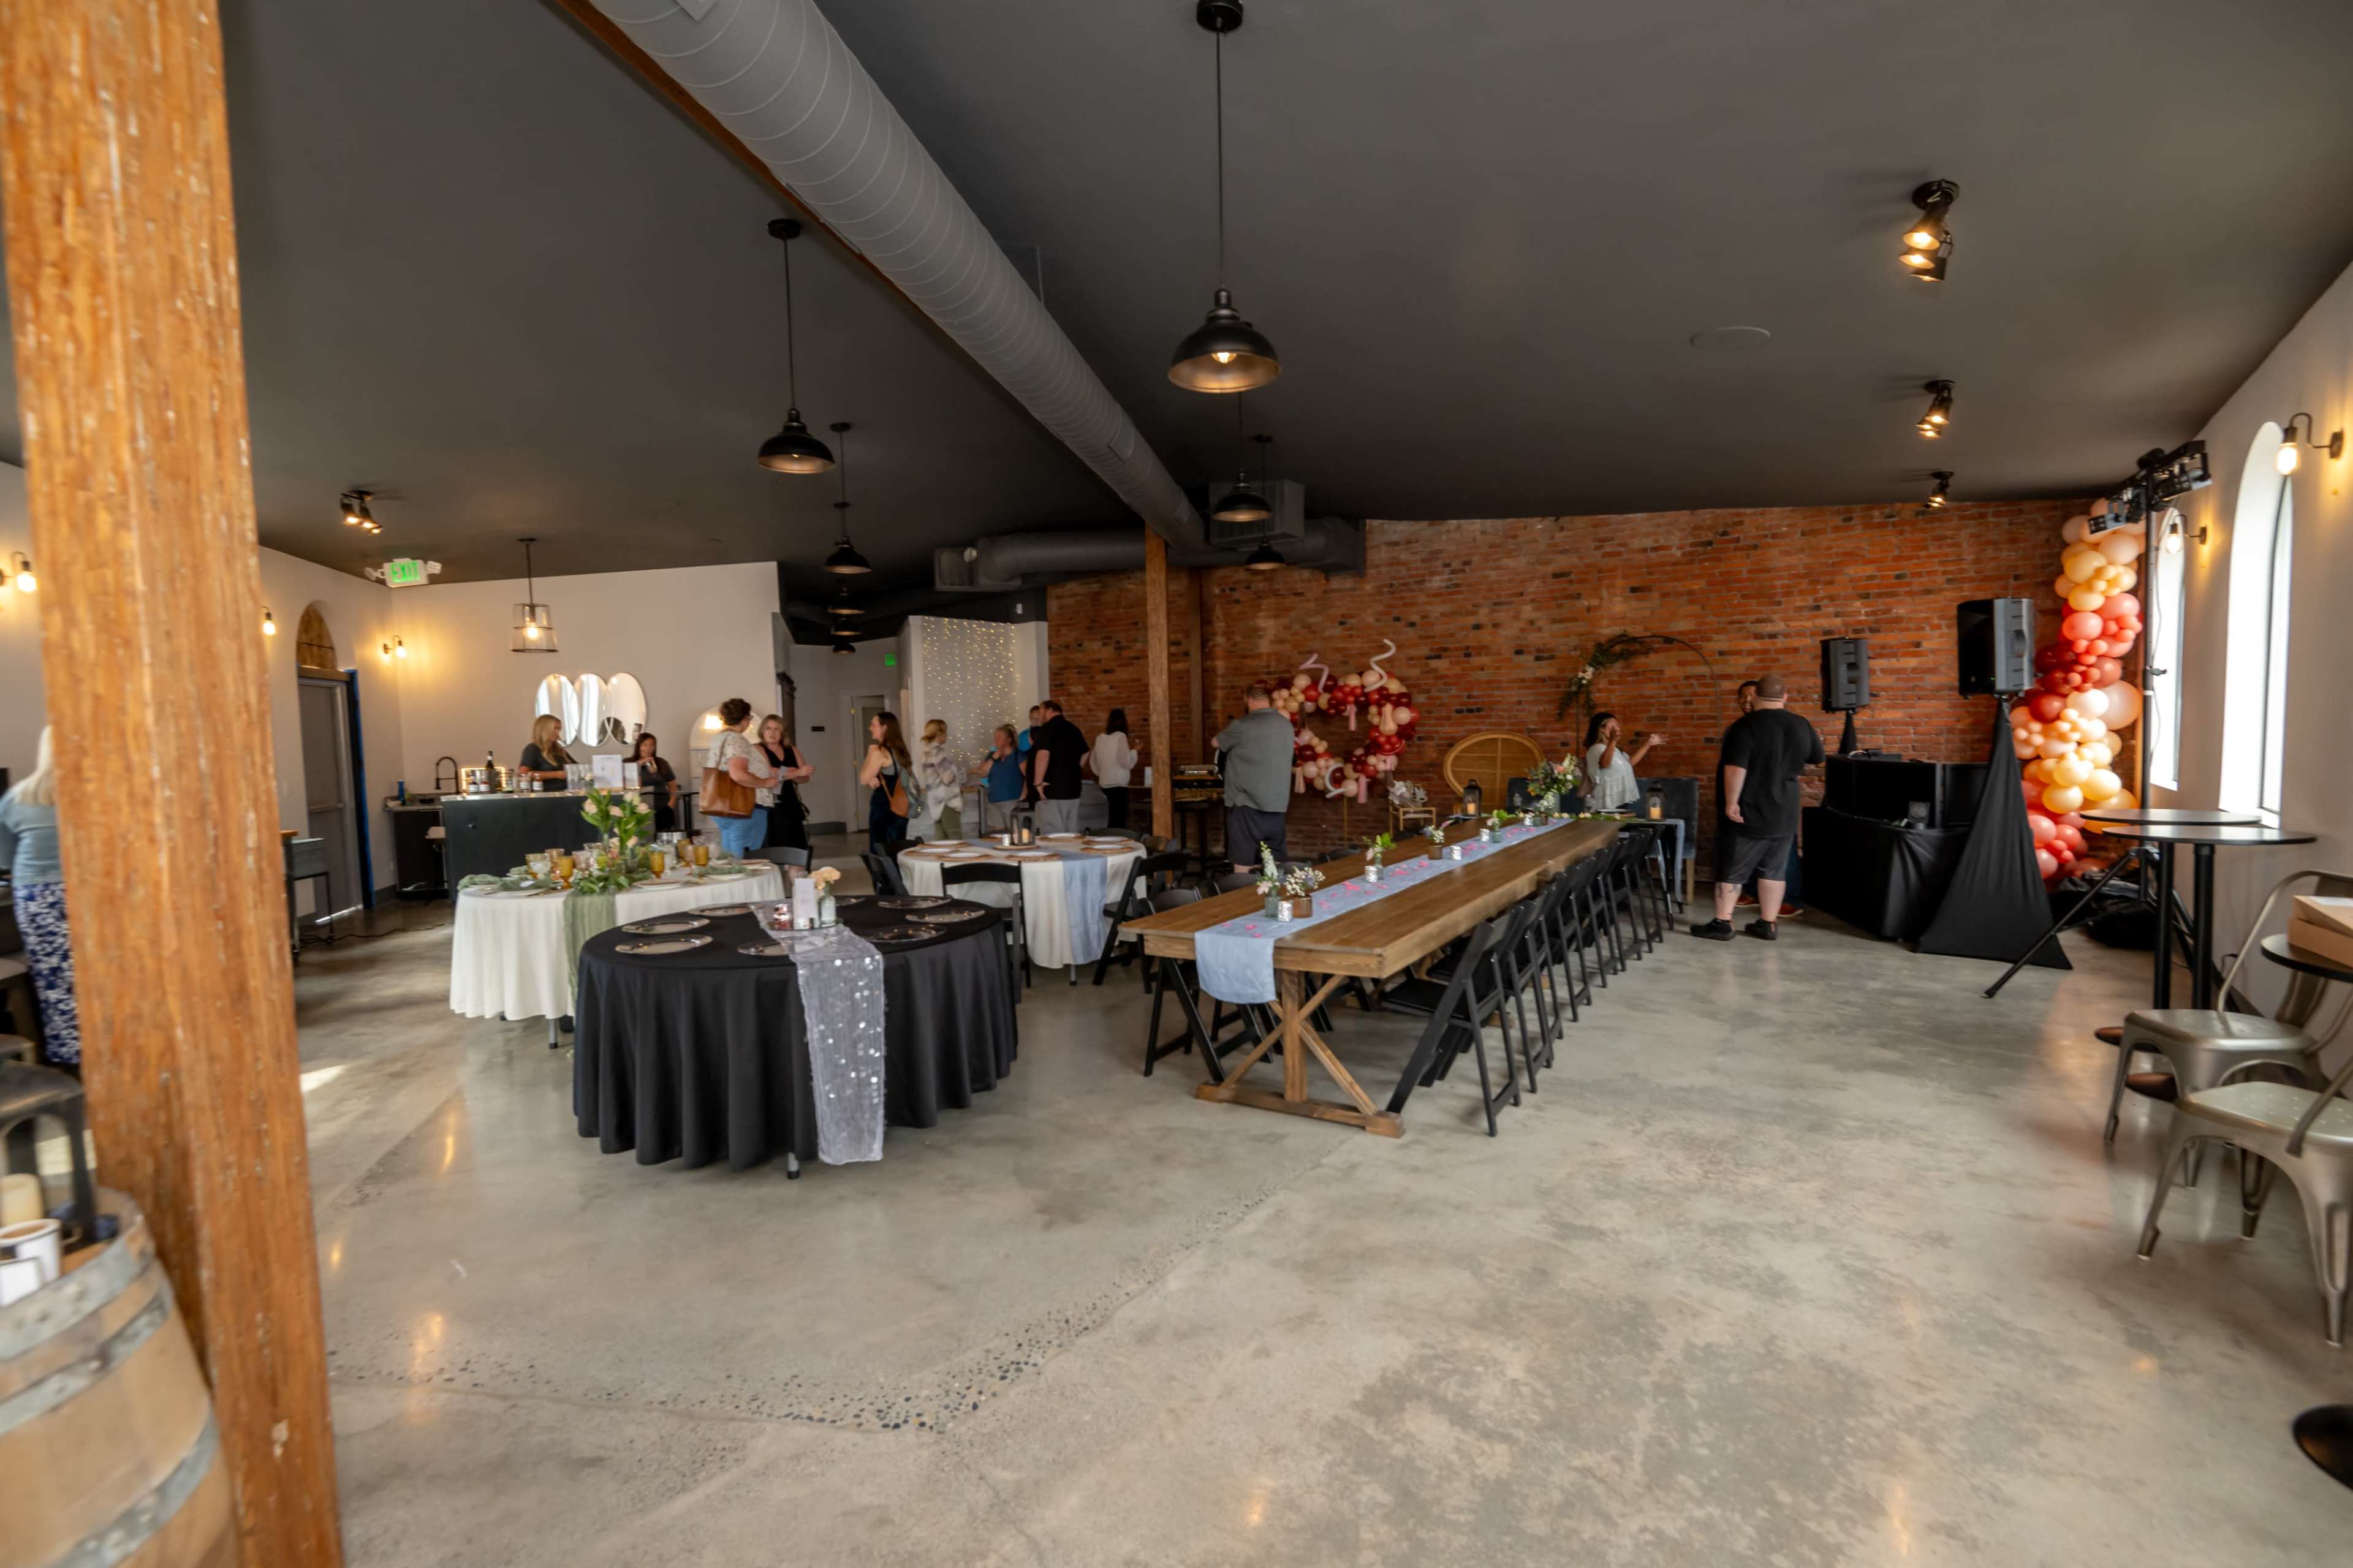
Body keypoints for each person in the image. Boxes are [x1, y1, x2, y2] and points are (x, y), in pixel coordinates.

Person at [1692, 673, 1823, 942]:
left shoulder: (1745, 726)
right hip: (1785, 810)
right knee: (1774, 870)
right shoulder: (1801, 724)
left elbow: (1735, 767)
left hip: (1750, 809)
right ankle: (1768, 923)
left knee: (1732, 868)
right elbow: (1817, 758)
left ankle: (1722, 923)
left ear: (1755, 697)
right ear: (1785, 697)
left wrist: (1731, 802)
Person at [0, 727, 77, 1068]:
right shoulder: (94, 795)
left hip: (36, 897)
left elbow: (4, 860)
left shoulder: (16, 797)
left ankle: (71, 1058)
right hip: (84, 892)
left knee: (55, 980)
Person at [1213, 681, 1296, 869]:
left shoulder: (1242, 725)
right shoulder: (1286, 726)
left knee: (1242, 863)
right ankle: (1274, 897)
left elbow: (1215, 743)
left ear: (1248, 700)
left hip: (1246, 804)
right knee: (1275, 866)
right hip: (1278, 804)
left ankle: (1244, 897)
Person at [707, 698, 775, 858]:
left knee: (731, 859)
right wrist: (765, 782)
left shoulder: (719, 738)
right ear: (745, 718)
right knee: (745, 860)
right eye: (749, 718)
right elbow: (738, 774)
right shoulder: (736, 739)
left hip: (723, 806)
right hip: (743, 807)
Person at [1582, 711, 1665, 811]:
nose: (1618, 728)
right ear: (1602, 729)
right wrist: (1613, 741)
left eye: (1618, 726)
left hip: (1619, 800)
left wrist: (1648, 744)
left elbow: (1630, 762)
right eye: (1613, 726)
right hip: (1606, 801)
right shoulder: (1596, 749)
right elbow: (1604, 764)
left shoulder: (1615, 749)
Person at [1030, 699, 1089, 834]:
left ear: (1049, 711)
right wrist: (1074, 769)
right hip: (1073, 789)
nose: (1039, 716)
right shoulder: (1073, 729)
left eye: (1040, 712)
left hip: (1051, 790)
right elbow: (1086, 752)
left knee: (1054, 836)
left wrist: (1038, 783)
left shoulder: (1047, 730)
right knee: (1071, 834)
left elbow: (1043, 754)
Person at [858, 710, 914, 854]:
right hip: (901, 809)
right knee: (896, 851)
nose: (870, 727)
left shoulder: (879, 752)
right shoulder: (900, 750)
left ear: (884, 728)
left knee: (882, 853)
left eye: (874, 724)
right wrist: (873, 779)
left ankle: (884, 878)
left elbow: (863, 778)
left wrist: (871, 752)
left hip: (884, 810)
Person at [755, 714, 812, 852]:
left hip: (790, 800)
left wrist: (796, 774)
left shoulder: (791, 749)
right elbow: (770, 772)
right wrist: (796, 773)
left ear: (782, 732)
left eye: (777, 729)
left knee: (795, 846)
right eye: (768, 728)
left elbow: (805, 778)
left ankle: (795, 872)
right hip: (768, 802)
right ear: (763, 731)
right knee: (772, 845)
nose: (772, 732)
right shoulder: (758, 749)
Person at [911, 719, 963, 842]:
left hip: (935, 802)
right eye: (945, 732)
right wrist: (965, 774)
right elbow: (948, 778)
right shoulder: (938, 752)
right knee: (955, 839)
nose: (947, 735)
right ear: (939, 733)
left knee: (941, 841)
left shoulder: (926, 752)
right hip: (947, 802)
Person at [1088, 708, 1138, 830]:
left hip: (1104, 784)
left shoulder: (1100, 738)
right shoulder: (1121, 737)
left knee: (1107, 820)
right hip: (1118, 785)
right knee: (1118, 822)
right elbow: (1125, 762)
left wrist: (1102, 773)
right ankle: (1119, 846)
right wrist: (1136, 750)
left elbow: (1093, 761)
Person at [972, 725, 1025, 833]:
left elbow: (1028, 777)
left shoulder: (1018, 755)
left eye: (999, 737)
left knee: (1015, 832)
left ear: (1009, 740)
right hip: (993, 802)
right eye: (995, 737)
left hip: (1012, 801)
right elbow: (983, 774)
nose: (996, 740)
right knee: (998, 834)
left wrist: (1023, 798)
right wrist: (993, 759)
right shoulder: (991, 755)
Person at [631, 732, 680, 835]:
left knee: (663, 839)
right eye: (645, 745)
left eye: (652, 745)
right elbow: (630, 784)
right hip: (639, 809)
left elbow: (673, 785)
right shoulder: (629, 763)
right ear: (639, 746)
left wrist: (671, 804)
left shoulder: (662, 763)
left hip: (662, 807)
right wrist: (640, 765)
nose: (648, 748)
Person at [518, 714, 573, 789]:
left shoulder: (559, 750)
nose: (558, 733)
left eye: (559, 729)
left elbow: (575, 767)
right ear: (545, 730)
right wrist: (556, 775)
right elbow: (524, 774)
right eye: (555, 729)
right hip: (545, 795)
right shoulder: (532, 749)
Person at [1017, 705, 1043, 806]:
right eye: (1033, 718)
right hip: (1026, 778)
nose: (1035, 721)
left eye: (1038, 718)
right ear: (1029, 719)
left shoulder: (1047, 735)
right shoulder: (1023, 736)